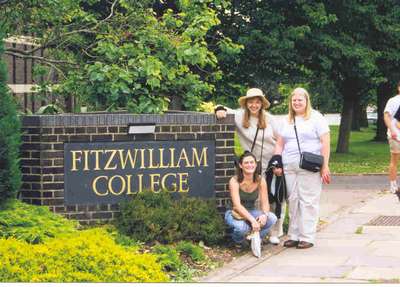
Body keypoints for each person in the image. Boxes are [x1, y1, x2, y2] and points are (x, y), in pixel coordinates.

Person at [215, 88, 286, 245]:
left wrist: (278, 161)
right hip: (253, 165)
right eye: (251, 102)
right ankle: (252, 233)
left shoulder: (270, 119)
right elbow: (224, 109)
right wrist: (219, 109)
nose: (254, 105)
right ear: (246, 103)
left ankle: (276, 232)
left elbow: (281, 141)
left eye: (257, 102)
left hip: (272, 163)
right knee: (259, 197)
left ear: (262, 103)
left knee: (276, 197)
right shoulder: (240, 116)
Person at [274, 87, 331, 249]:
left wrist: (325, 166)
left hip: (309, 165)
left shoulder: (316, 118)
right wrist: (277, 162)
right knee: (293, 200)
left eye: (300, 100)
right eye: (294, 100)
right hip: (289, 165)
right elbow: (280, 143)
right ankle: (294, 234)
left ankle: (307, 236)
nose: (297, 103)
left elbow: (325, 142)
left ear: (307, 101)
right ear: (290, 102)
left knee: (309, 200)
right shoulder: (286, 120)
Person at [224, 151, 277, 248]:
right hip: (234, 213)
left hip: (251, 211)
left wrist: (264, 215)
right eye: (246, 163)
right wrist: (253, 220)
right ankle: (238, 242)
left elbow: (265, 202)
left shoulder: (260, 180)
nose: (250, 165)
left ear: (256, 164)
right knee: (242, 228)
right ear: (240, 165)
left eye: (252, 162)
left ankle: (253, 239)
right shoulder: (234, 181)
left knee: (272, 218)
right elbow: (237, 206)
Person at [383, 81, 400, 200]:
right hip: (395, 136)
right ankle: (393, 185)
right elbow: (386, 116)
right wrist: (392, 130)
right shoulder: (393, 101)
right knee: (395, 159)